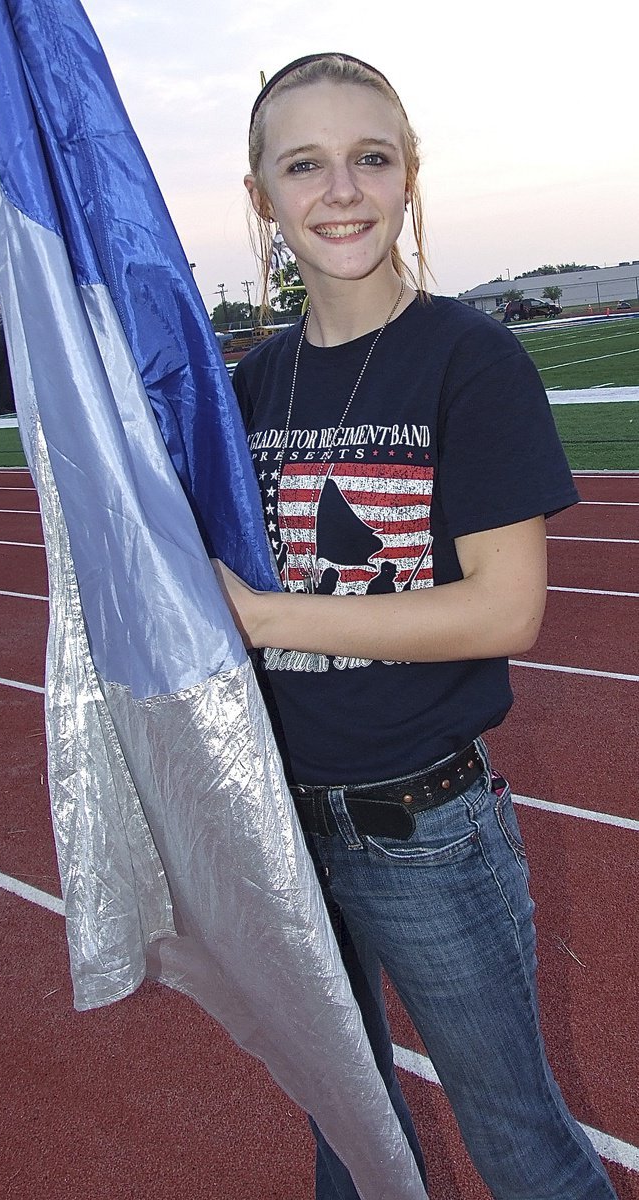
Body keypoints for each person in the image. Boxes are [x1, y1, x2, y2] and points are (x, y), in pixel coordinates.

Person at [214, 53, 618, 1200]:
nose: (339, 190)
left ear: (407, 179)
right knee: (349, 1141)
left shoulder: (468, 359)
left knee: (518, 1146)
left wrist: (261, 613)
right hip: (277, 834)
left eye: (368, 159)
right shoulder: (249, 384)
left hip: (423, 831)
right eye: (304, 165)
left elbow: (507, 605)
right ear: (261, 199)